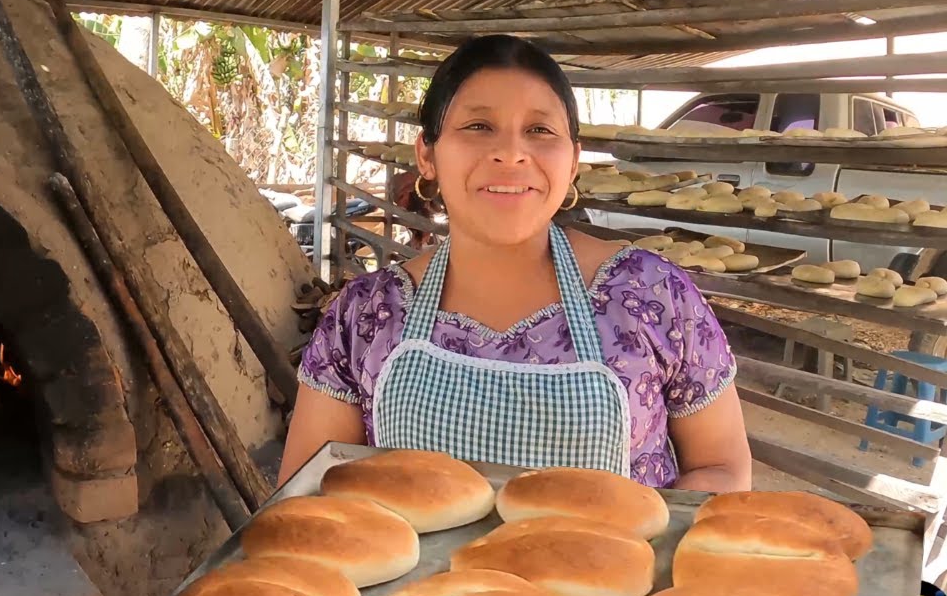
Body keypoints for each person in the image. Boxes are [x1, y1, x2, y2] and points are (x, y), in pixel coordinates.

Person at [280, 35, 753, 492]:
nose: (510, 152)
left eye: (540, 130)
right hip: (422, 578)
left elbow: (721, 467)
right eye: (478, 126)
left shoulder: (651, 295)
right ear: (427, 155)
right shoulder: (364, 316)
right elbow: (307, 497)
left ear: (572, 162)